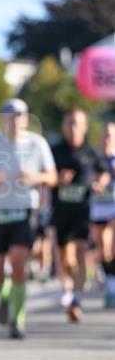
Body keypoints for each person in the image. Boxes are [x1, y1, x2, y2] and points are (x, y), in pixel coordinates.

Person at [0, 98, 57, 339]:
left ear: (26, 119)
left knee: (19, 263)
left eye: (20, 115)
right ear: (4, 119)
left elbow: (52, 176)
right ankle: (7, 298)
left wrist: (35, 178)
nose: (15, 120)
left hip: (23, 211)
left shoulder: (37, 144)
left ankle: (18, 320)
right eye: (11, 115)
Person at [50, 109, 110, 322]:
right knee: (66, 259)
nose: (73, 127)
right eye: (69, 123)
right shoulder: (55, 151)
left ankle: (76, 298)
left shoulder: (90, 152)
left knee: (82, 253)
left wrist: (99, 183)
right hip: (61, 211)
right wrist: (57, 178)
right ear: (64, 126)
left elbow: (104, 172)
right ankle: (70, 285)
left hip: (82, 212)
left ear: (84, 127)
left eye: (77, 123)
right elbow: (45, 175)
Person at [90, 122, 115, 308]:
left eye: (111, 135)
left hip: (113, 207)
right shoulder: (94, 159)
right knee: (103, 250)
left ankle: (112, 287)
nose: (107, 138)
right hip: (98, 208)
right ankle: (109, 284)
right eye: (105, 135)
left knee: (112, 246)